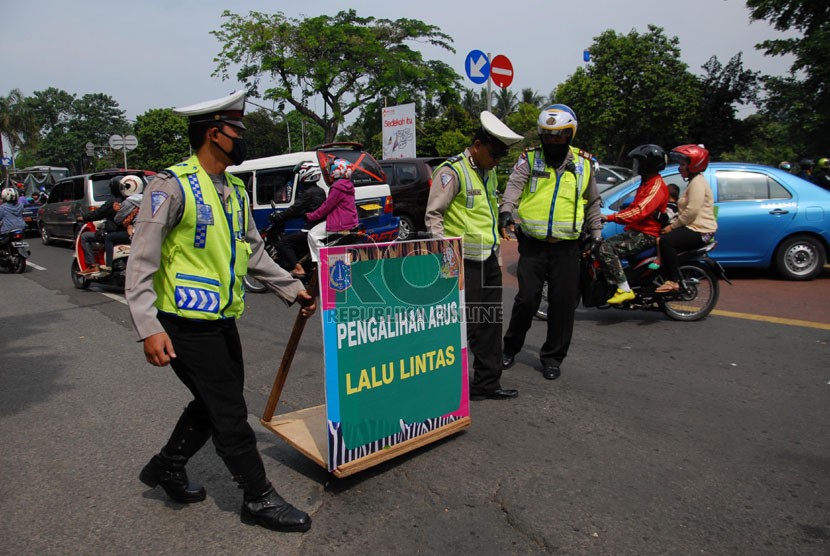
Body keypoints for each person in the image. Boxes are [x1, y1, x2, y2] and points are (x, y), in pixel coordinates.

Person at [125, 90, 316, 533]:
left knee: (214, 401)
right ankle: (258, 497)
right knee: (230, 411)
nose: (244, 139)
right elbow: (141, 261)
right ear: (215, 133)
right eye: (239, 131)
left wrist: (292, 289)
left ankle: (167, 466)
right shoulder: (170, 187)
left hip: (221, 319)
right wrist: (148, 327)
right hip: (182, 323)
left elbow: (252, 252)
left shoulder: (232, 190)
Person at [499, 104, 602, 381]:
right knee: (527, 298)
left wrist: (596, 234)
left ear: (570, 134)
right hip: (533, 244)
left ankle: (553, 358)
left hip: (568, 247)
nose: (552, 141)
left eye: (559, 135)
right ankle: (509, 348)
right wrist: (506, 211)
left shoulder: (584, 163)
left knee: (563, 304)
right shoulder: (530, 159)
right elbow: (513, 186)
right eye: (547, 135)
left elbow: (592, 202)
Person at [425, 111, 522, 400]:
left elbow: (489, 214)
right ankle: (443, 388)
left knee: (490, 324)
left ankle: (487, 383)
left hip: (488, 259)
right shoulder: (451, 171)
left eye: (501, 156)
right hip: (462, 262)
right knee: (461, 326)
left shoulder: (488, 173)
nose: (496, 160)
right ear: (478, 145)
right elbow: (433, 218)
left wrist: (498, 255)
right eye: (493, 153)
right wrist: (447, 260)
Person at [598, 144, 669, 304]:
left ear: (648, 164)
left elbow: (638, 211)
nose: (636, 166)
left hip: (646, 234)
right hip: (636, 231)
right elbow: (632, 206)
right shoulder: (646, 182)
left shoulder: (656, 186)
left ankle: (624, 289)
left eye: (639, 162)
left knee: (606, 249)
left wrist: (609, 217)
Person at [655, 145, 718, 293]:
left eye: (683, 164)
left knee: (667, 240)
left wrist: (672, 227)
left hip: (700, 230)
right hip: (693, 227)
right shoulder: (694, 182)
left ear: (694, 165)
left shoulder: (697, 183)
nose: (680, 168)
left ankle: (673, 281)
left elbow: (691, 211)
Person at [273, 162, 326, 277]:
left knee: (284, 243)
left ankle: (298, 268)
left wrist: (280, 216)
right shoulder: (320, 191)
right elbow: (305, 210)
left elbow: (295, 209)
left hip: (312, 228)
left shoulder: (309, 192)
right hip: (319, 226)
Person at [305, 158, 359, 263]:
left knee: (312, 235)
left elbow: (326, 207)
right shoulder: (348, 185)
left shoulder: (337, 187)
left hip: (340, 223)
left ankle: (322, 262)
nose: (329, 172)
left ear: (336, 171)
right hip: (351, 222)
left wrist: (311, 216)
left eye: (330, 169)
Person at [76, 177, 126, 275]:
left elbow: (98, 213)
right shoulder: (132, 200)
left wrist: (83, 218)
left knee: (85, 237)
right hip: (129, 232)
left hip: (114, 231)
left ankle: (93, 265)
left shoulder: (113, 202)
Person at [101, 176, 145, 273]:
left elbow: (118, 219)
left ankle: (109, 266)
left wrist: (118, 209)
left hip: (135, 232)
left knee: (109, 237)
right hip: (148, 230)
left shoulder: (129, 201)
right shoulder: (146, 198)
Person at [648, 183, 680, 270]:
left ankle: (659, 259)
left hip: (669, 230)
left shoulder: (671, 207)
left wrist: (653, 211)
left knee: (659, 240)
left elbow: (664, 217)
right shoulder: (675, 205)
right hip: (670, 229)